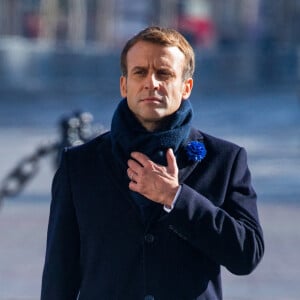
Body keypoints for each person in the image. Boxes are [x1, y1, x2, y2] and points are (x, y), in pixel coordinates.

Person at [41, 26, 264, 300]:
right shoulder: (79, 165)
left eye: (164, 73)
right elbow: (58, 277)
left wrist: (176, 197)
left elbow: (247, 255)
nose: (152, 83)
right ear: (124, 85)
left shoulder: (224, 160)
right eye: (140, 72)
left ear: (186, 87)